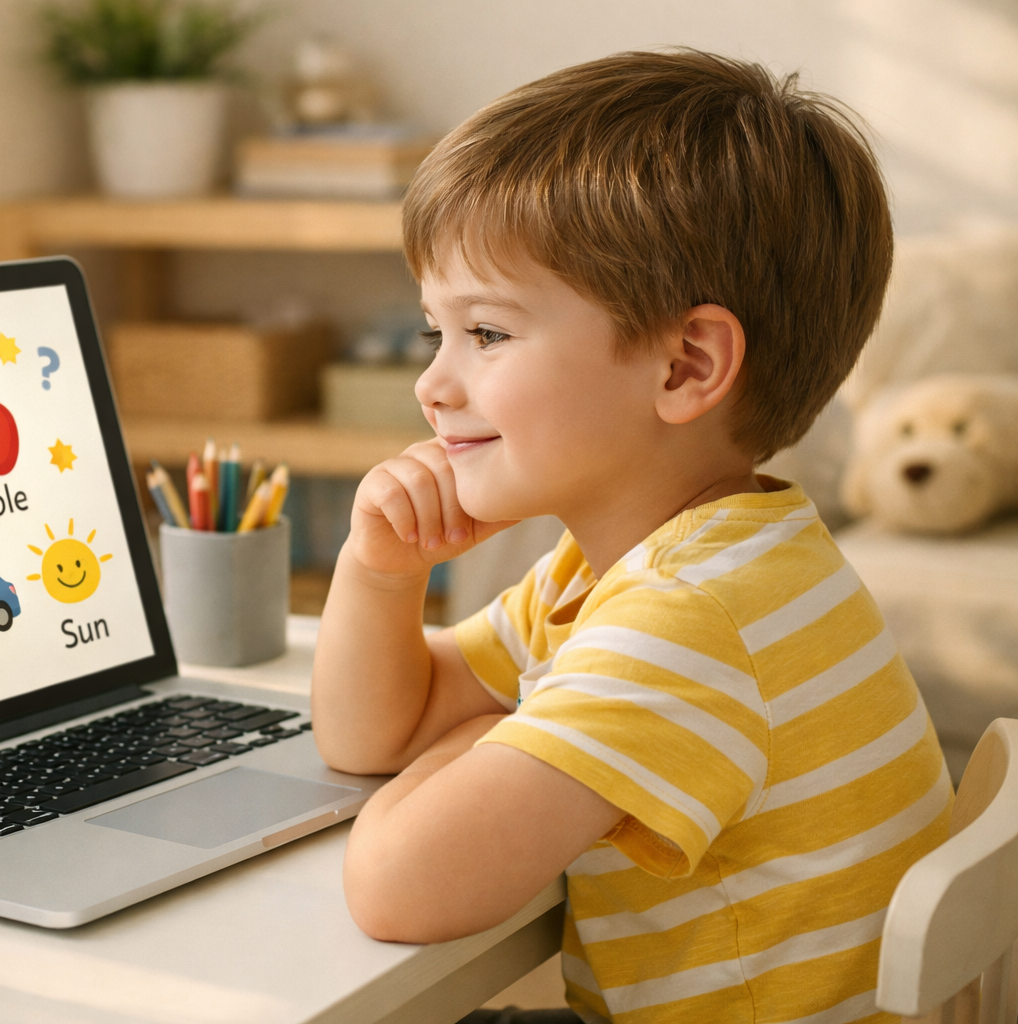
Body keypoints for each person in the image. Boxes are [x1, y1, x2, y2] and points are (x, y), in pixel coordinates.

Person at [312, 49, 951, 1024]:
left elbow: (402, 889)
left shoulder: (688, 620)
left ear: (687, 366)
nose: (431, 384)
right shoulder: (684, 555)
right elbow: (376, 733)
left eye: (485, 333)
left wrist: (493, 731)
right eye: (431, 329)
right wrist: (379, 573)